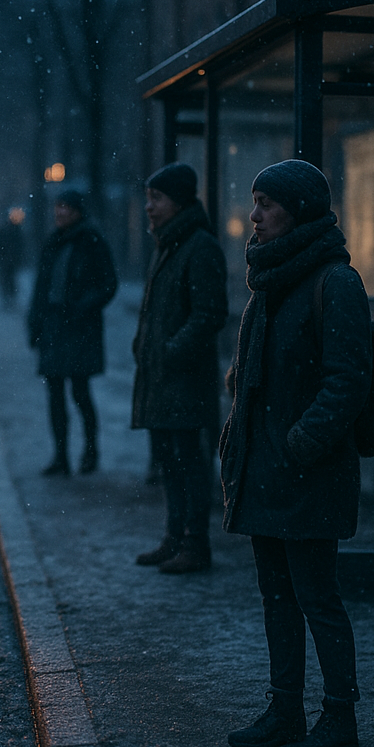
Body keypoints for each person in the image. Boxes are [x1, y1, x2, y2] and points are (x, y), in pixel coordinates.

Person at [222, 160, 369, 747]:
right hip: (266, 469)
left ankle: (339, 720)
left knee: (317, 597)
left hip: (310, 473)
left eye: (266, 204)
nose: (254, 216)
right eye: (254, 202)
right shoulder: (272, 280)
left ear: (299, 211)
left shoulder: (335, 282)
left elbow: (347, 382)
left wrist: (299, 445)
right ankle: (285, 709)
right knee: (276, 596)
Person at [132, 162, 228, 574]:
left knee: (189, 461)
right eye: (148, 198)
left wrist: (171, 351)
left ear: (179, 201)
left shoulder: (198, 246)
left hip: (185, 378)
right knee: (171, 460)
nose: (149, 207)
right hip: (165, 376)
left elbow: (209, 313)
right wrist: (146, 346)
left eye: (157, 198)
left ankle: (195, 543)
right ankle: (174, 538)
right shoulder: (168, 244)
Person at [27, 190, 117, 475]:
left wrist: (82, 308)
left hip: (78, 328)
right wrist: (35, 323)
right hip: (54, 327)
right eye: (58, 207)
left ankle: (90, 452)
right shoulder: (53, 241)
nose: (60, 212)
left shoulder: (91, 240)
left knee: (80, 392)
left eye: (65, 207)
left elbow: (108, 284)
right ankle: (60, 457)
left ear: (78, 211)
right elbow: (41, 287)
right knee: (55, 395)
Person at [0, 209, 26, 307]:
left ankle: (10, 296)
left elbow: (20, 246)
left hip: (10, 259)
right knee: (7, 278)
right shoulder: (6, 231)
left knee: (9, 278)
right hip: (7, 259)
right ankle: (8, 297)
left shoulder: (14, 231)